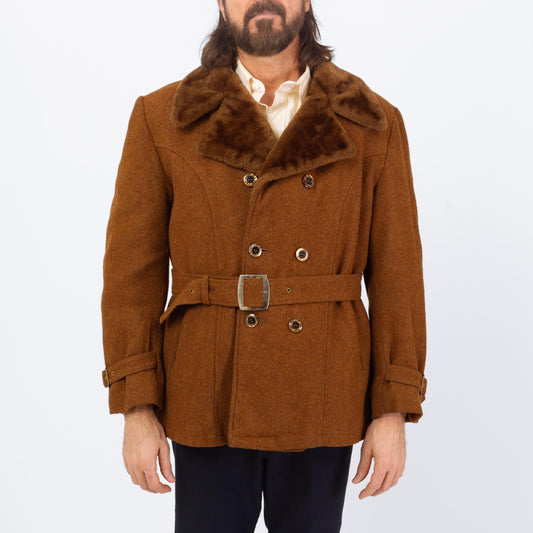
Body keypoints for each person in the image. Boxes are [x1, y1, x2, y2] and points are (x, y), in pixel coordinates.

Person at [100, 1, 428, 531]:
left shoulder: (372, 122)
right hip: (206, 392)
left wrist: (393, 408)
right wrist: (136, 406)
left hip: (323, 390)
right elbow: (130, 275)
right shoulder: (162, 118)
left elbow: (398, 276)